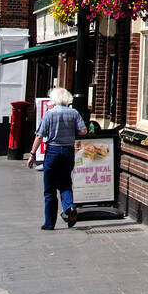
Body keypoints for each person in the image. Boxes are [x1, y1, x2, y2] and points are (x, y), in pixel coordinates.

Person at [27, 86, 87, 230]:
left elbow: (39, 135)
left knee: (50, 188)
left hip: (53, 151)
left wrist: (32, 154)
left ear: (54, 99)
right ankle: (70, 207)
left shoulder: (49, 114)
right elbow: (83, 131)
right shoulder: (74, 113)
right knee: (65, 182)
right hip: (68, 151)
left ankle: (49, 223)